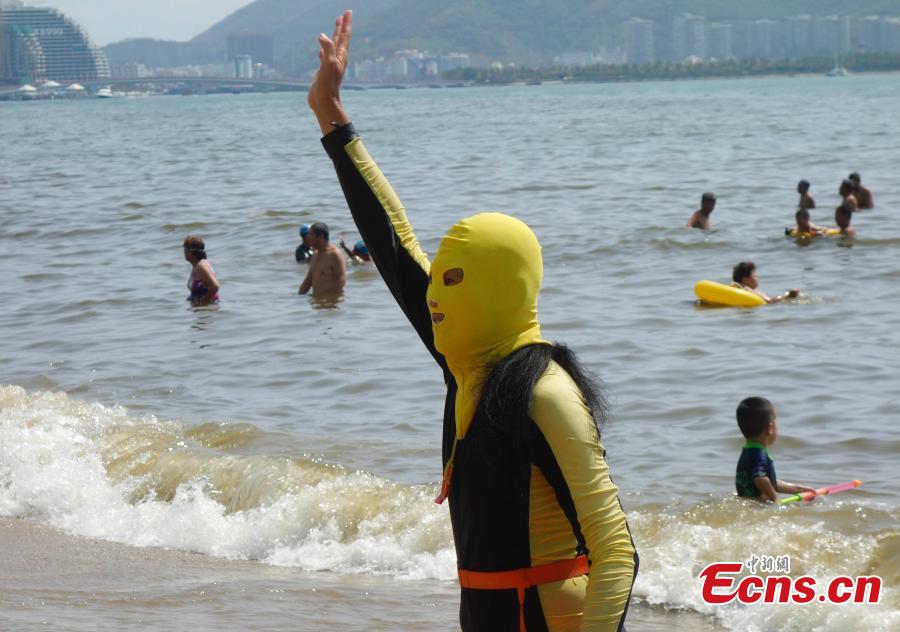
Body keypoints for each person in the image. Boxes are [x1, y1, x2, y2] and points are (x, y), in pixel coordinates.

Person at [308, 11, 637, 631]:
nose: (434, 296)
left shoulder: (546, 392)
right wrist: (331, 115)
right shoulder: (469, 368)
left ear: (499, 288)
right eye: (438, 283)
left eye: (454, 282)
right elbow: (394, 242)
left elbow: (617, 551)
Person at [735, 397, 815, 503]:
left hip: (746, 504)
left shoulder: (747, 451)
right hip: (759, 507)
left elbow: (768, 482)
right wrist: (775, 499)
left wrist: (798, 490)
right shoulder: (760, 455)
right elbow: (761, 479)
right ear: (770, 428)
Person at [298, 222, 346, 295]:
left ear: (321, 236)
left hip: (330, 303)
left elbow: (341, 280)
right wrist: (298, 297)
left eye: (311, 234)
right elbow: (308, 280)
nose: (308, 237)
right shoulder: (315, 254)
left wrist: (330, 301)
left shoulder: (335, 254)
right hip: (317, 303)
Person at [731, 262, 798, 303]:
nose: (757, 278)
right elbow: (769, 301)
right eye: (754, 275)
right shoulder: (747, 289)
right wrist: (788, 295)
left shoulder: (734, 287)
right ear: (745, 279)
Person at [183, 235, 220, 306]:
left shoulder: (201, 266)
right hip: (201, 311)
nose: (184, 252)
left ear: (193, 252)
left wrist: (204, 302)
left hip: (207, 309)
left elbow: (215, 286)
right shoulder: (196, 266)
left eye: (186, 249)